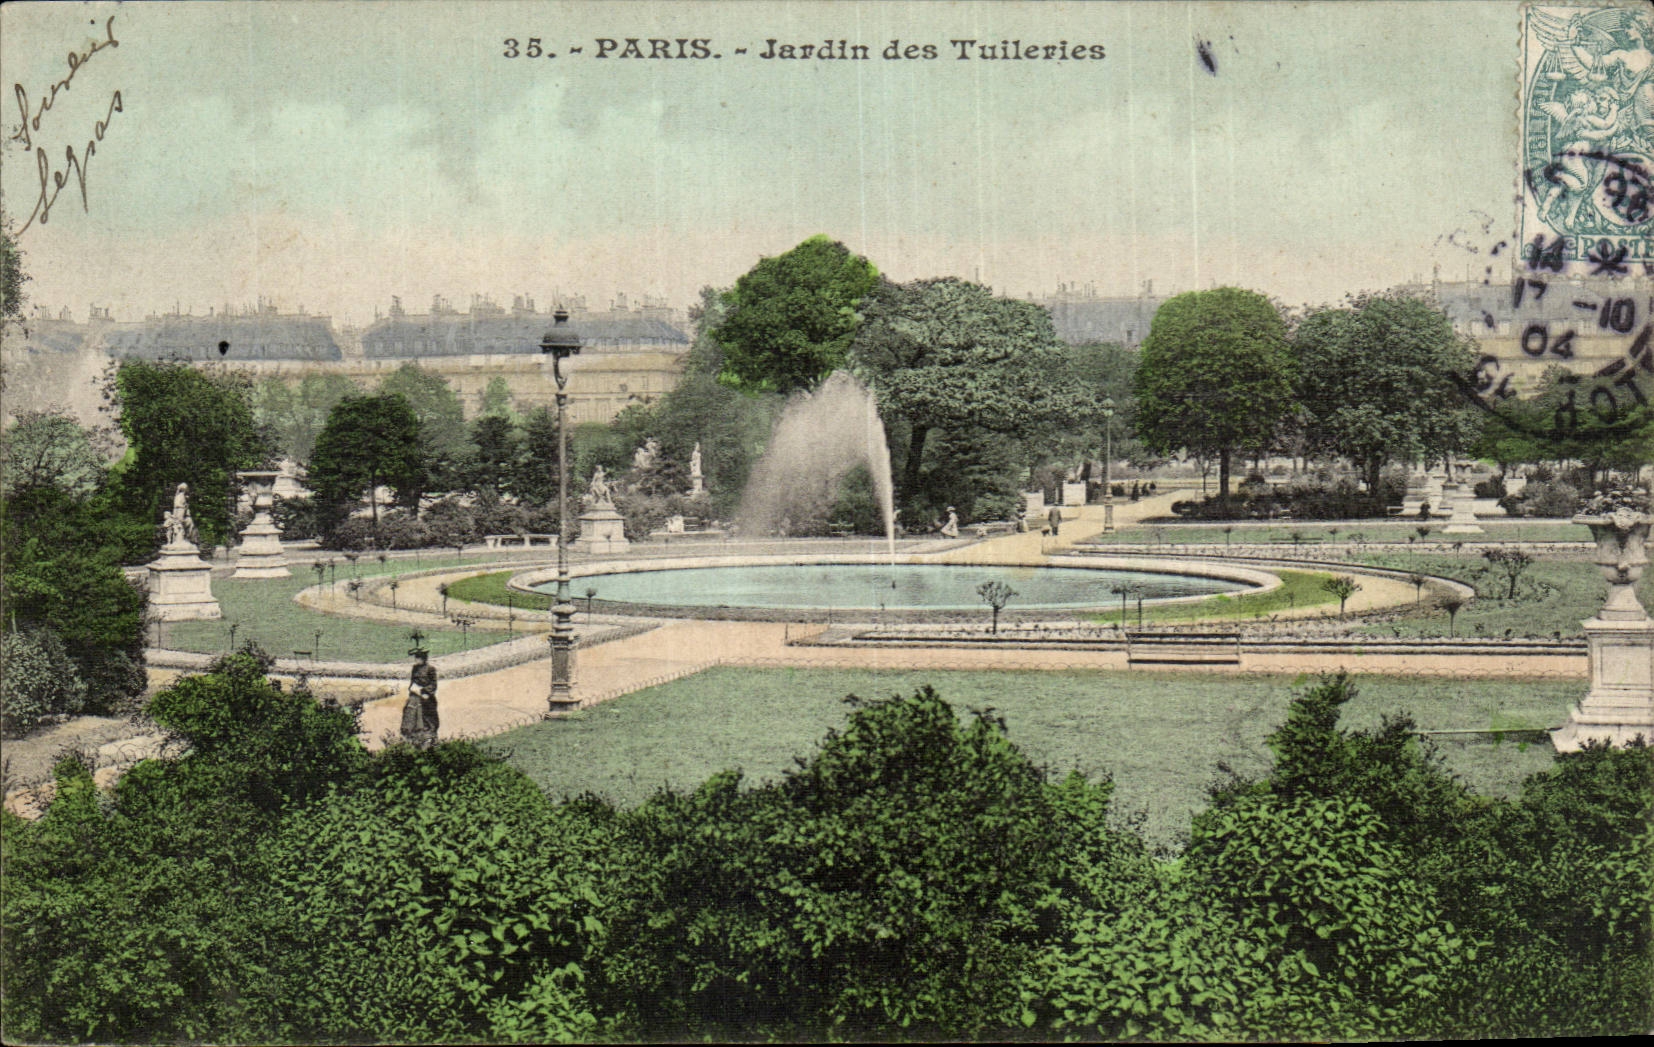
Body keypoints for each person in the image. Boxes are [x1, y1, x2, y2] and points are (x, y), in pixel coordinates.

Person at [402, 647, 439, 747]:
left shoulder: (430, 669)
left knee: (428, 719)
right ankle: (413, 739)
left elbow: (433, 685)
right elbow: (412, 682)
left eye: (418, 658)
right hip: (415, 696)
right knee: (410, 714)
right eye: (416, 658)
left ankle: (430, 740)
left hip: (426, 696)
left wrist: (424, 691)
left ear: (423, 659)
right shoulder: (415, 668)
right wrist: (412, 689)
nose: (416, 660)